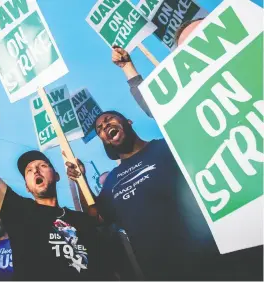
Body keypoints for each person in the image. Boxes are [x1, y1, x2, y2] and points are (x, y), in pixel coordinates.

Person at [65, 20, 263, 280]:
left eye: (110, 119)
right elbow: (96, 218)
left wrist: (128, 68)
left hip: (221, 264)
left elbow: (159, 107)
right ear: (103, 141)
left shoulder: (172, 145)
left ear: (129, 122)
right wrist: (77, 181)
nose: (105, 125)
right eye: (100, 128)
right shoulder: (111, 182)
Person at [0, 99, 113, 281]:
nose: (35, 170)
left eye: (42, 165)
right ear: (27, 186)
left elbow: (100, 221)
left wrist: (79, 178)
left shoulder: (79, 219)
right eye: (29, 170)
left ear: (57, 175)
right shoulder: (18, 210)